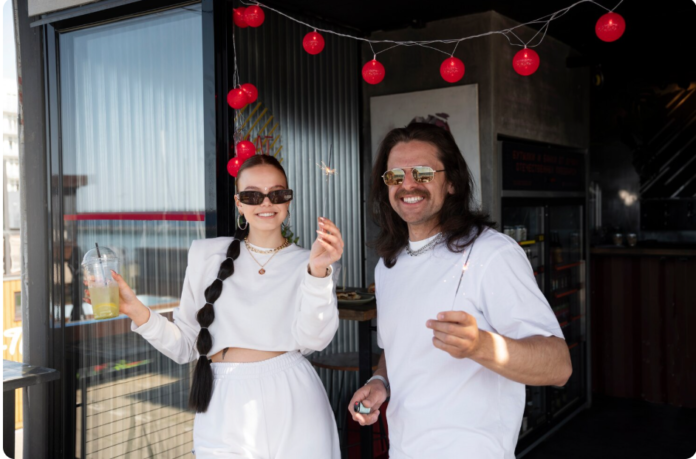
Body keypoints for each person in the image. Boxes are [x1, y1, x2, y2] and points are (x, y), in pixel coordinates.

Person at [86, 155, 343, 458]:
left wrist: (318, 273)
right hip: (223, 398)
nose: (266, 203)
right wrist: (135, 310)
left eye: (277, 194)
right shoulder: (206, 254)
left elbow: (314, 340)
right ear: (239, 203)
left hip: (294, 395)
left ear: (288, 200)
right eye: (252, 195)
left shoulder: (311, 261)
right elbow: (185, 347)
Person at [348, 123, 572, 458]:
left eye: (422, 173)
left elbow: (559, 366)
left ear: (452, 182)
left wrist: (481, 345)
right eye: (395, 175)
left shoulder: (491, 254)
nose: (407, 184)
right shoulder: (389, 266)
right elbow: (398, 351)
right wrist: (380, 382)